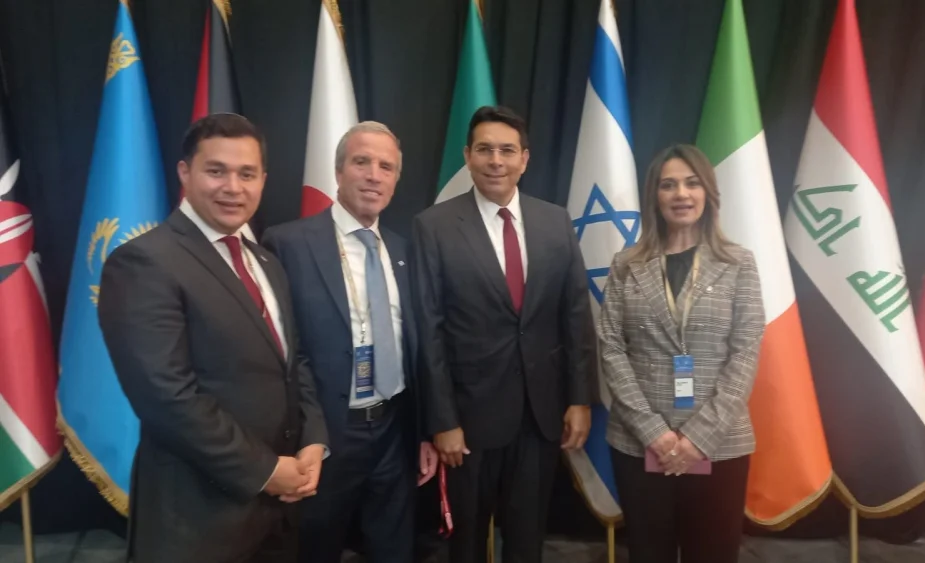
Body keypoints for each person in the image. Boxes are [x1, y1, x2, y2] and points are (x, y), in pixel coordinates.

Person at [97, 113, 329, 563]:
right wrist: (263, 471)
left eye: (247, 174)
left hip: (279, 509)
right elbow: (167, 397)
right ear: (185, 173)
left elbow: (293, 364)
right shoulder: (144, 262)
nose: (233, 187)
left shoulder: (267, 262)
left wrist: (314, 441)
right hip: (197, 517)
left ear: (263, 179)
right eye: (216, 170)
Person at [410, 105, 596, 563]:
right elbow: (427, 332)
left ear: (525, 159)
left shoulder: (556, 222)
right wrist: (442, 421)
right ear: (468, 156)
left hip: (540, 415)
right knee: (468, 543)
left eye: (507, 150)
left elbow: (574, 315)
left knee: (527, 538)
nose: (497, 160)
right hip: (468, 421)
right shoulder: (432, 227)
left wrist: (579, 397)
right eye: (485, 149)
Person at [262, 121, 438, 563]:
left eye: (386, 166)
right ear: (338, 171)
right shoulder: (288, 244)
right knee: (313, 548)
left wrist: (424, 432)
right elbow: (283, 353)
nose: (374, 175)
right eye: (362, 162)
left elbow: (420, 349)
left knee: (395, 549)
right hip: (323, 435)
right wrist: (307, 435)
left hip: (395, 431)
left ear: (397, 180)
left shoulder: (404, 249)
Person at [599, 144, 764, 563]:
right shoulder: (626, 264)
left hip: (719, 443)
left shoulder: (739, 262)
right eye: (668, 185)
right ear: (654, 195)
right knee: (648, 553)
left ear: (708, 192)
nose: (681, 194)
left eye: (692, 183)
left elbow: (746, 351)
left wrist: (698, 437)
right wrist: (654, 431)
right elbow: (611, 348)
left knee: (713, 553)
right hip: (639, 444)